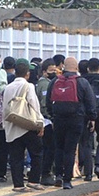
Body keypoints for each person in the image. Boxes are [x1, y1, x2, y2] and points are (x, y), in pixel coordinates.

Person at [45, 56, 95, 190]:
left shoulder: (55, 81)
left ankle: (58, 176)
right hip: (76, 119)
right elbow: (90, 103)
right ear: (77, 68)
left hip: (59, 119)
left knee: (59, 148)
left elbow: (48, 102)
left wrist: (53, 115)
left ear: (63, 67)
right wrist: (91, 118)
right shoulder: (82, 82)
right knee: (70, 149)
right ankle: (67, 180)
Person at [4, 59, 45, 193]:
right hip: (27, 126)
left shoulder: (8, 87)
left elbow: (5, 108)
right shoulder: (29, 86)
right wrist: (40, 123)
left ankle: (18, 184)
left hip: (12, 126)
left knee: (16, 157)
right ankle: (33, 180)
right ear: (27, 73)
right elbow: (34, 105)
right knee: (37, 153)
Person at [35, 58, 59, 186]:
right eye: (51, 70)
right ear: (44, 72)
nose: (54, 72)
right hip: (46, 121)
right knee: (49, 148)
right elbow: (44, 104)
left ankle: (44, 172)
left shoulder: (44, 83)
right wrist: (51, 117)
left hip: (43, 120)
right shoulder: (45, 84)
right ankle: (45, 173)